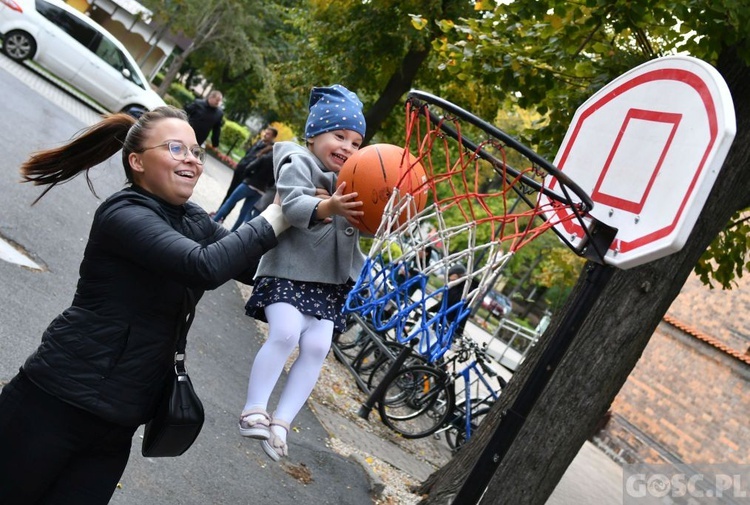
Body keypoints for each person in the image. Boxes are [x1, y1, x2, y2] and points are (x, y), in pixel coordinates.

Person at [0, 106, 289, 504]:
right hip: (53, 405)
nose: (191, 158)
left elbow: (257, 267)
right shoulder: (124, 213)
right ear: (137, 161)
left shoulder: (193, 219)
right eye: (176, 148)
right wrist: (277, 214)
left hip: (117, 423)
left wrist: (323, 230)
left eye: (196, 150)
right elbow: (202, 266)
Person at [238, 84, 366, 461]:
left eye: (356, 142)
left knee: (316, 346)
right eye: (339, 135)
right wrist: (330, 205)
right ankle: (253, 410)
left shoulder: (356, 177)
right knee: (287, 331)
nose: (347, 147)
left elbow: (367, 221)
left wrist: (387, 207)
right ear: (314, 135)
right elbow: (293, 206)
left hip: (328, 281)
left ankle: (281, 422)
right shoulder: (298, 161)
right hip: (287, 271)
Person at [212, 151, 275, 231]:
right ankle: (232, 233)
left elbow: (249, 167)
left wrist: (248, 177)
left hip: (249, 184)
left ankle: (213, 222)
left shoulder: (264, 158)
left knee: (229, 202)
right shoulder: (276, 166)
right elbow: (272, 183)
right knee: (244, 213)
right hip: (260, 192)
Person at [218, 127, 278, 209]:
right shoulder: (259, 142)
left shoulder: (270, 150)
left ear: (273, 137)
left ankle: (222, 216)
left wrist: (248, 173)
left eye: (268, 134)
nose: (265, 135)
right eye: (266, 132)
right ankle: (219, 211)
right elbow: (247, 154)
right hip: (240, 168)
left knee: (234, 196)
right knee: (230, 191)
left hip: (248, 174)